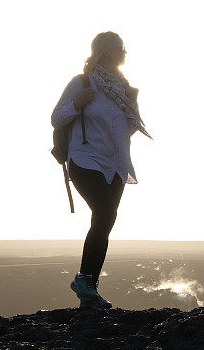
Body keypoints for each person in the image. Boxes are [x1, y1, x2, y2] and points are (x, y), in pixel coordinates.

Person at [51, 31, 153, 309]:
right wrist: (77, 104)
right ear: (106, 52)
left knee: (105, 221)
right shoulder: (82, 83)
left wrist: (131, 112)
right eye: (121, 48)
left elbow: (130, 127)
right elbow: (56, 117)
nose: (124, 53)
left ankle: (89, 292)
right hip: (84, 159)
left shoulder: (124, 89)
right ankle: (84, 280)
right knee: (106, 212)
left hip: (116, 163)